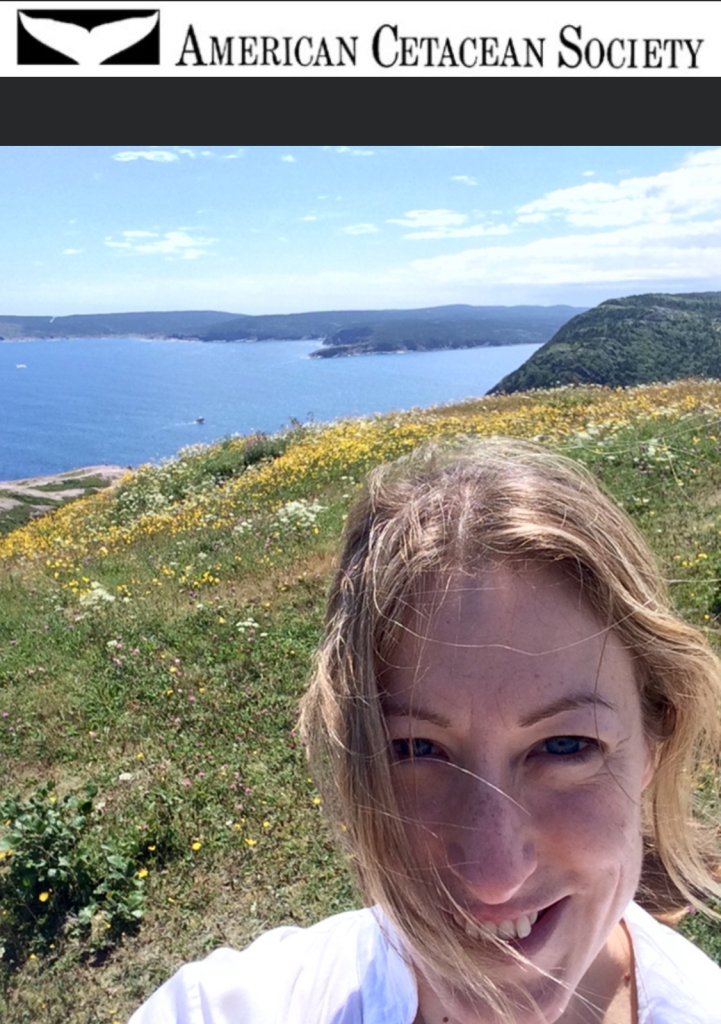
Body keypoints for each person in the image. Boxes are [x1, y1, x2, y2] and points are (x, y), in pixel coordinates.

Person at [128, 438, 721, 1023]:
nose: (494, 877)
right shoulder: (225, 1009)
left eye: (566, 746)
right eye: (414, 748)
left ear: (653, 744)